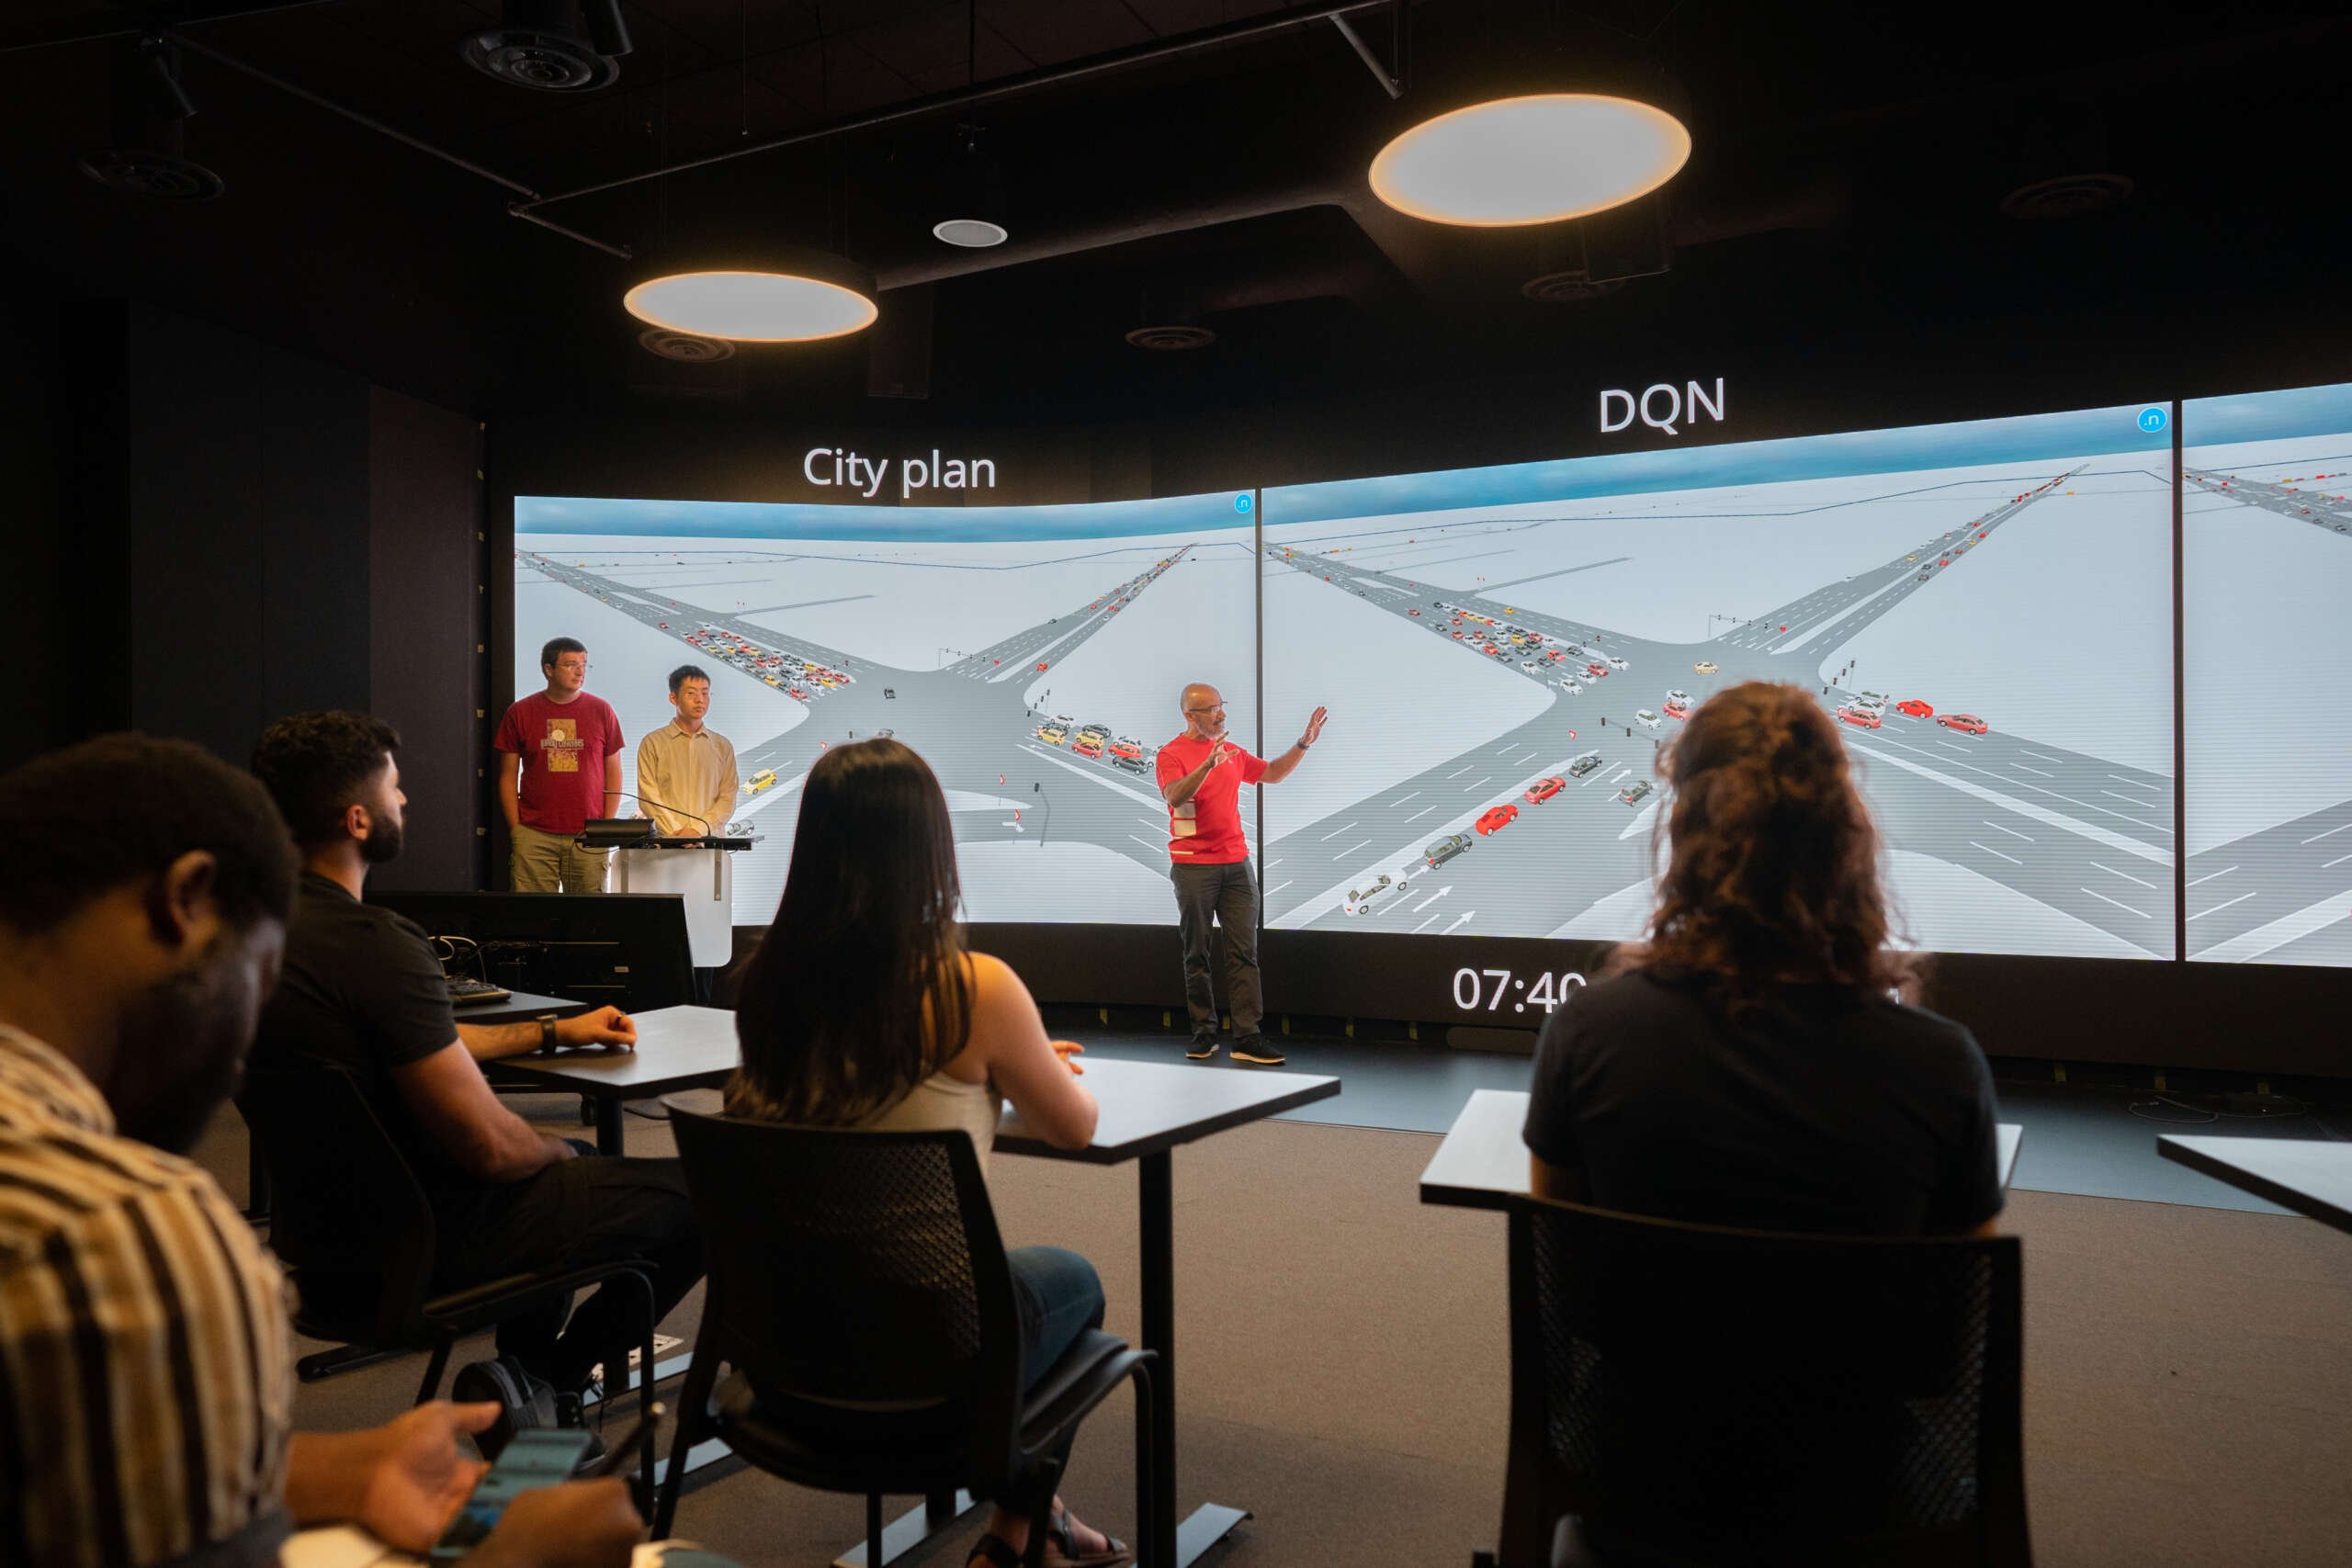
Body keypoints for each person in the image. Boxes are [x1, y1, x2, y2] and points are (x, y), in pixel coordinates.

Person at [0, 733, 640, 1568]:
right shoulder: (114, 1233)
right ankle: (549, 1394)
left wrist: (328, 1466)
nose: (242, 1047)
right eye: (259, 972)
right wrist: (506, 1558)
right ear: (185, 899)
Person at [248, 710, 705, 1451]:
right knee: (700, 1196)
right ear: (357, 818)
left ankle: (521, 1390)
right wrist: (552, 1151)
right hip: (434, 1240)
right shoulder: (378, 944)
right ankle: (548, 1386)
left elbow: (427, 1040)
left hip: (330, 1252)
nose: (407, 802)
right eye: (395, 789)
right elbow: (494, 1150)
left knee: (581, 1171)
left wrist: (555, 1029)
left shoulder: (261, 937)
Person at [727, 739, 1131, 1568]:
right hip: (933, 1350)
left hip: (789, 1348)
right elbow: (1075, 1125)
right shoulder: (971, 988)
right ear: (927, 850)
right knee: (1073, 1281)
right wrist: (1028, 1057)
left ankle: (1041, 1525)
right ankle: (1014, 1538)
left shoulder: (765, 986)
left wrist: (1009, 1050)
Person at [1523, 681, 2002, 1236]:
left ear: (1684, 841)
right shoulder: (1940, 1069)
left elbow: (1558, 1255)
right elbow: (1964, 1303)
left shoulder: (1586, 1039)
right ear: (1845, 845)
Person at [1156, 682, 1328, 1066]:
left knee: (1243, 953)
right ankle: (1204, 1033)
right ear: (1190, 715)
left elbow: (1272, 774)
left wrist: (1303, 744)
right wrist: (1206, 765)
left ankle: (1248, 1037)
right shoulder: (1171, 754)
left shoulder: (1232, 752)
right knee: (1196, 953)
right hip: (1193, 867)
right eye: (1213, 709)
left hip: (1236, 866)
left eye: (1222, 707)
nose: (1222, 714)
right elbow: (1174, 795)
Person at [497, 637, 623, 893]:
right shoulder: (520, 712)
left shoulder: (602, 711)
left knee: (589, 921)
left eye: (584, 664)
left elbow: (614, 773)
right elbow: (507, 776)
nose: (579, 671)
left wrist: (604, 827)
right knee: (532, 920)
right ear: (548, 670)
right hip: (535, 835)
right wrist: (517, 830)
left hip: (588, 835)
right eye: (570, 664)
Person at [635, 664, 739, 837]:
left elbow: (728, 798)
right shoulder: (653, 743)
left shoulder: (722, 746)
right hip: (667, 844)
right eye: (691, 693)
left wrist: (698, 830)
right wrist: (676, 833)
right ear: (673, 698)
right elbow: (649, 797)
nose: (700, 700)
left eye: (705, 693)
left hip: (709, 844)